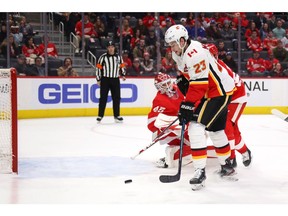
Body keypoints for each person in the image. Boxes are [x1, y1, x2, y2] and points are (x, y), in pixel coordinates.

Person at [165, 24, 236, 190]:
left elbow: (199, 85)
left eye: (173, 44)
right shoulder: (178, 53)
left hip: (219, 91)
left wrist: (187, 105)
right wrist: (182, 81)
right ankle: (227, 165)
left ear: (182, 41)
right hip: (211, 91)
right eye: (170, 45)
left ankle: (199, 171)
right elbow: (186, 76)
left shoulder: (194, 53)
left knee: (196, 127)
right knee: (215, 130)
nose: (171, 48)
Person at [207, 43, 252, 168]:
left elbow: (229, 87)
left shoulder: (218, 68)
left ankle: (231, 159)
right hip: (227, 97)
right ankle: (244, 152)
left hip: (236, 97)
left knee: (226, 126)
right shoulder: (210, 66)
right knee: (232, 129)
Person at [95, 40, 126, 123]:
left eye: (112, 47)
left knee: (116, 98)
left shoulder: (118, 57)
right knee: (103, 98)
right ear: (107, 48)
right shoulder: (103, 57)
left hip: (115, 79)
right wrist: (98, 79)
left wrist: (123, 74)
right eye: (109, 47)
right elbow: (98, 68)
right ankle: (100, 115)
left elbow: (122, 66)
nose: (111, 49)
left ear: (114, 48)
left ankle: (117, 115)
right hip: (105, 79)